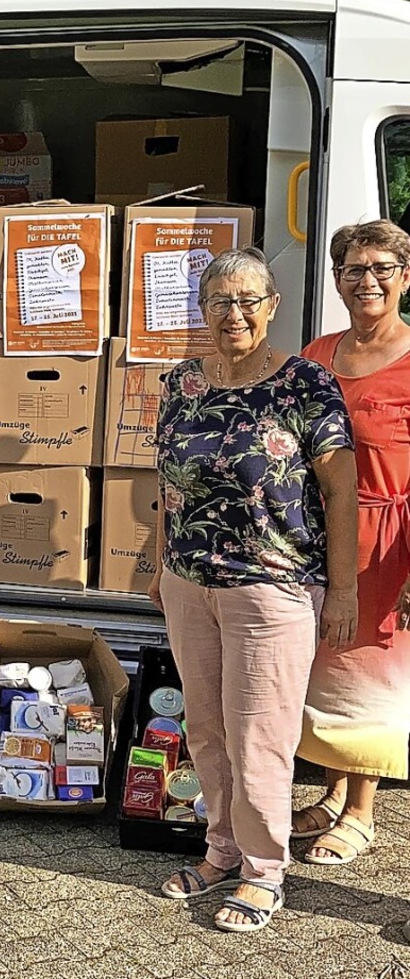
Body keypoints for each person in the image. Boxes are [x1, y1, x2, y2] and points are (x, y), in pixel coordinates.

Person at [149, 247, 358, 932]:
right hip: (189, 583)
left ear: (271, 307)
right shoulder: (180, 383)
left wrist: (346, 589)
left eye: (248, 300)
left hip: (272, 587)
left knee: (260, 735)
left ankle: (264, 870)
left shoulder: (306, 384)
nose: (233, 313)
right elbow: (167, 483)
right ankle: (220, 849)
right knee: (206, 726)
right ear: (202, 309)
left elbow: (339, 489)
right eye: (220, 301)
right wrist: (158, 559)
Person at [292, 220, 410, 864]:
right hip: (316, 532)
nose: (365, 281)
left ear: (405, 278)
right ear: (336, 280)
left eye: (380, 268)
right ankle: (335, 791)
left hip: (387, 538)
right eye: (352, 269)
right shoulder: (317, 352)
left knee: (368, 668)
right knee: (325, 665)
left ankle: (363, 811)